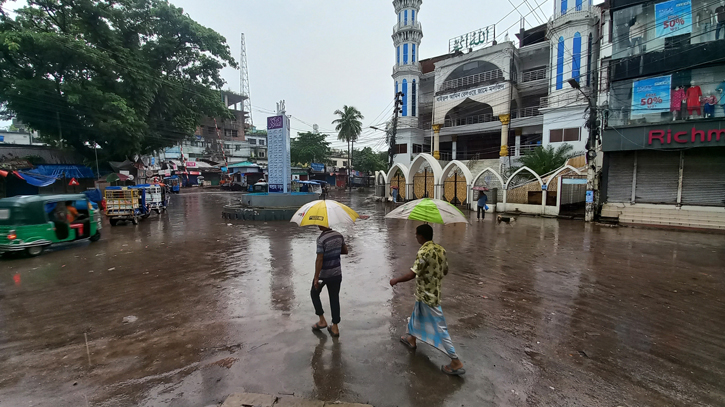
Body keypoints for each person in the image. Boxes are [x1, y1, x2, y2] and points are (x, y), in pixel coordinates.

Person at [390, 224, 465, 375]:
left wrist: (396, 280)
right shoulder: (441, 250)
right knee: (417, 315)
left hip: (427, 297)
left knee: (439, 328)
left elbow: (412, 274)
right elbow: (445, 271)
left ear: (422, 236)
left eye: (416, 234)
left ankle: (456, 361)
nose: (415, 237)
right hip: (431, 293)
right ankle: (411, 338)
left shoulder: (423, 251)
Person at [311, 225, 349, 337]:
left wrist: (316, 277)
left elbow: (320, 259)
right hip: (337, 273)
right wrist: (334, 252)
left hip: (324, 275)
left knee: (314, 293)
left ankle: (322, 320)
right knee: (334, 298)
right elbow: (345, 251)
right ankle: (335, 328)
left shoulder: (321, 239)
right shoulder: (339, 235)